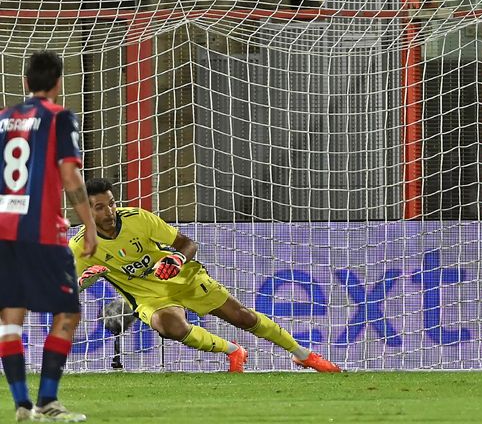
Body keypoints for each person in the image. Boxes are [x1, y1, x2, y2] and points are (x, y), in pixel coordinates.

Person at [70, 178, 341, 374]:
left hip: (183, 278)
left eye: (112, 204)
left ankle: (303, 355)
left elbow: (187, 244)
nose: (110, 212)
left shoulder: (138, 219)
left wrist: (176, 259)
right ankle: (233, 351)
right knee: (170, 328)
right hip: (149, 297)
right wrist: (84, 282)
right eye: (99, 208)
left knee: (243, 318)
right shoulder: (81, 246)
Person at [0, 50, 98, 422]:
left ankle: (22, 405)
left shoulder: (3, 119)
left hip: (3, 230)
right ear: (58, 83)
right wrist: (88, 224)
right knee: (68, 312)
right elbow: (70, 175)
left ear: (25, 83)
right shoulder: (59, 117)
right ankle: (47, 400)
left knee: (10, 317)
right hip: (40, 230)